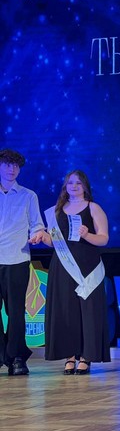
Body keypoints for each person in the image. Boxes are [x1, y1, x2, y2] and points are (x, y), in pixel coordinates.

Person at [41, 170, 110, 374]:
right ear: (65, 186)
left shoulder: (93, 208)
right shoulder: (56, 210)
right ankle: (69, 356)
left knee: (88, 312)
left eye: (78, 183)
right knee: (66, 311)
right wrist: (42, 237)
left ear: (85, 186)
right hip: (62, 267)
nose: (74, 186)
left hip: (88, 266)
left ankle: (86, 356)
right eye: (70, 183)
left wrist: (87, 235)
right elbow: (54, 242)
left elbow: (104, 239)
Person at [0, 148, 45, 376]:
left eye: (16, 165)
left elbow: (37, 224)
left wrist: (37, 234)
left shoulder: (29, 196)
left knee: (16, 310)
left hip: (17, 258)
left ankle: (17, 357)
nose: (12, 169)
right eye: (8, 164)